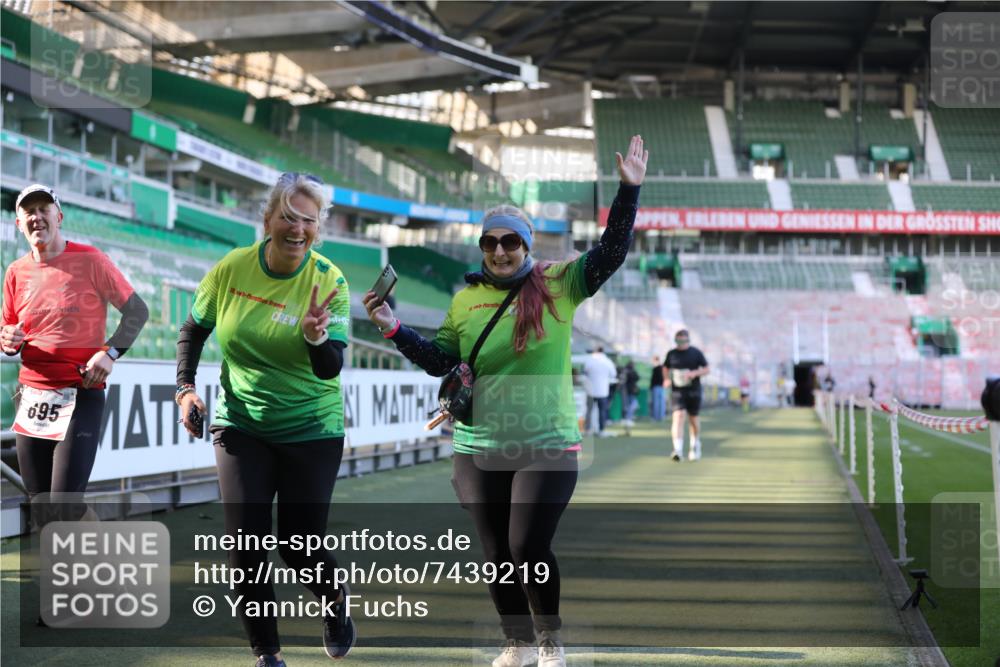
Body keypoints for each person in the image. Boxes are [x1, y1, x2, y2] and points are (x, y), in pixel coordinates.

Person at [363, 136, 647, 667]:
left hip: (547, 444)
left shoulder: (561, 282)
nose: (499, 251)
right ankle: (514, 642)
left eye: (510, 242)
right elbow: (439, 359)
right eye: (490, 242)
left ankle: (549, 642)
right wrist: (393, 327)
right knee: (496, 557)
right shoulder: (465, 299)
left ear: (527, 243)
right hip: (476, 445)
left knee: (527, 549)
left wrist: (628, 190)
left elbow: (611, 251)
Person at [175, 173, 354, 667]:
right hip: (240, 425)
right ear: (268, 218)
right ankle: (267, 656)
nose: (297, 229)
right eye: (289, 217)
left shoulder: (330, 280)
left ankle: (335, 605)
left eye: (309, 221)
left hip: (311, 429)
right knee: (246, 547)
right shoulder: (232, 268)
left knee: (298, 546)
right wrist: (186, 388)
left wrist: (317, 337)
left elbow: (330, 366)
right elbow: (194, 328)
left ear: (320, 228)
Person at [2, 184, 149, 509]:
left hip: (80, 392)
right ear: (18, 223)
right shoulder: (15, 272)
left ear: (59, 216)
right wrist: (8, 339)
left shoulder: (91, 260)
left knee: (64, 505)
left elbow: (138, 311)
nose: (37, 217)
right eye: (29, 212)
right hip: (32, 396)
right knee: (41, 507)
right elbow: (8, 331)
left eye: (44, 209)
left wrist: (110, 353)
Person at [663, 329, 709, 461]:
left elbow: (706, 369)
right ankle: (677, 449)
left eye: (683, 341)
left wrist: (694, 373)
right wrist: (666, 379)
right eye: (678, 341)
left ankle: (695, 444)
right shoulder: (671, 354)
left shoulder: (696, 353)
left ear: (688, 340)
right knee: (678, 416)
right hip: (678, 391)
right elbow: (665, 367)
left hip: (693, 390)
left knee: (693, 419)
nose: (680, 344)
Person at [582, 346, 618, 436]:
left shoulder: (590, 360)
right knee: (602, 410)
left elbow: (585, 372)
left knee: (589, 410)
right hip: (602, 391)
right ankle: (601, 430)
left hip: (591, 390)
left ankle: (588, 429)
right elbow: (613, 374)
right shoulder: (608, 361)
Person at [622, 361, 640, 435]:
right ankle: (628, 418)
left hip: (627, 391)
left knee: (629, 405)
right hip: (630, 391)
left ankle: (628, 418)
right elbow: (637, 378)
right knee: (632, 405)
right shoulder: (631, 372)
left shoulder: (625, 371)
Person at [649, 355, 665, 421]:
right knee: (661, 403)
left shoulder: (656, 368)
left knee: (656, 403)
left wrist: (651, 386)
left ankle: (656, 417)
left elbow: (653, 379)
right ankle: (661, 417)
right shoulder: (662, 368)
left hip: (656, 387)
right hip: (661, 387)